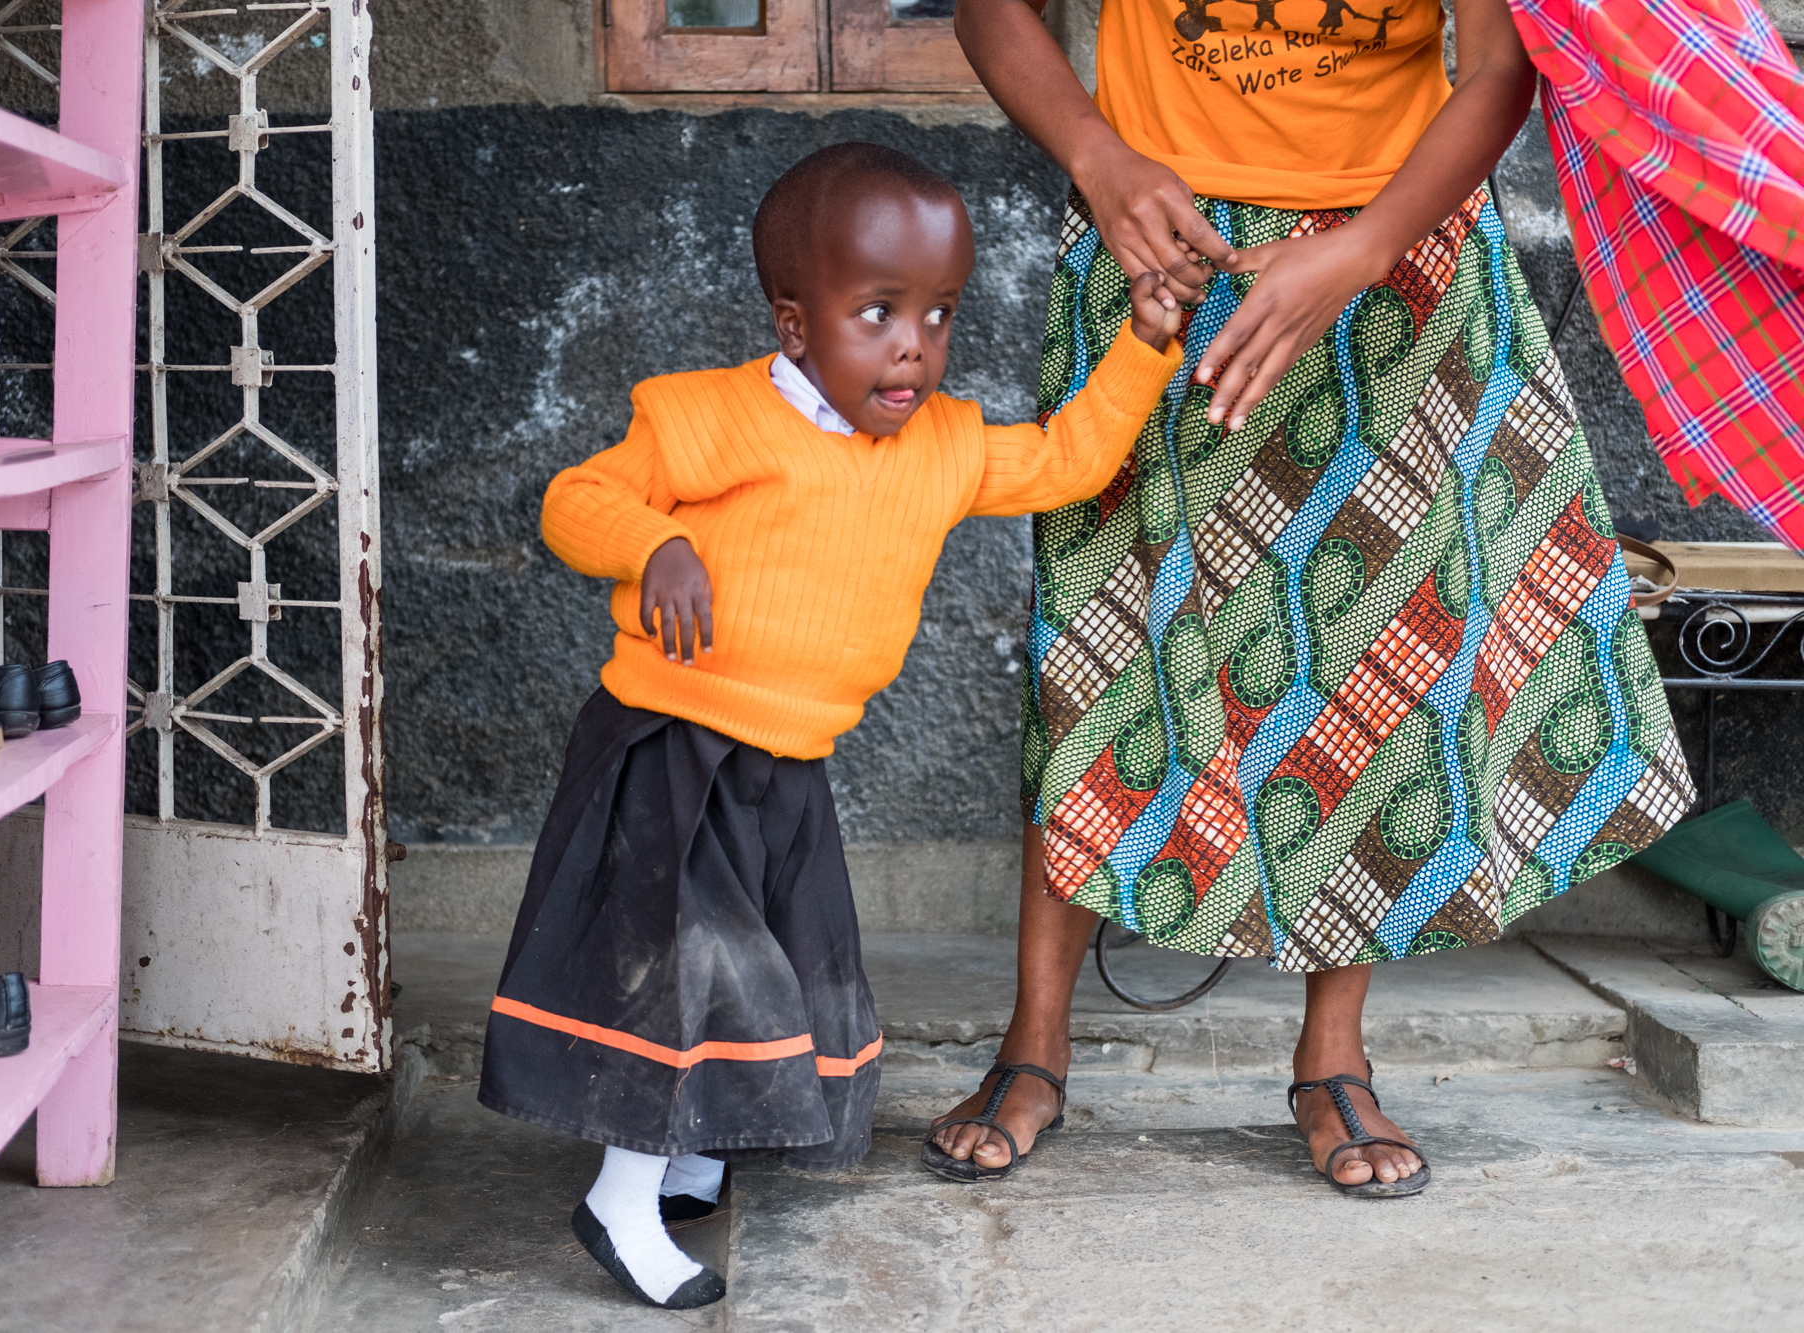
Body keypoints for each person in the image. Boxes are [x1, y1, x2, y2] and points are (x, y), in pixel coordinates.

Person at [925, 0, 1694, 1196]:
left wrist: (1363, 246)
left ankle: (1330, 1053)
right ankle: (1035, 1040)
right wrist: (1097, 154)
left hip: (1396, 277)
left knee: (1380, 658)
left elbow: (1497, 68)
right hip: (1157, 266)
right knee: (1099, 653)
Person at [476, 141, 1183, 1310]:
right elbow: (576, 499)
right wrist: (654, 543)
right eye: (877, 311)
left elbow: (1068, 459)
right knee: (677, 971)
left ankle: (691, 1150)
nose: (913, 342)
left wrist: (1145, 342)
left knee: (772, 973)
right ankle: (618, 1194)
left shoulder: (945, 445)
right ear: (794, 325)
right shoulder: (708, 417)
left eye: (938, 312)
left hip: (788, 760)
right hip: (672, 745)